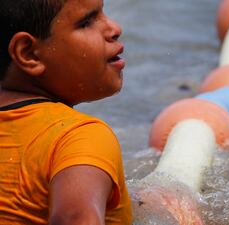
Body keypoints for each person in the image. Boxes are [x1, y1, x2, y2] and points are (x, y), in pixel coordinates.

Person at [0, 0, 133, 224]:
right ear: (28, 53)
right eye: (86, 23)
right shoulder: (79, 137)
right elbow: (75, 218)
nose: (114, 28)